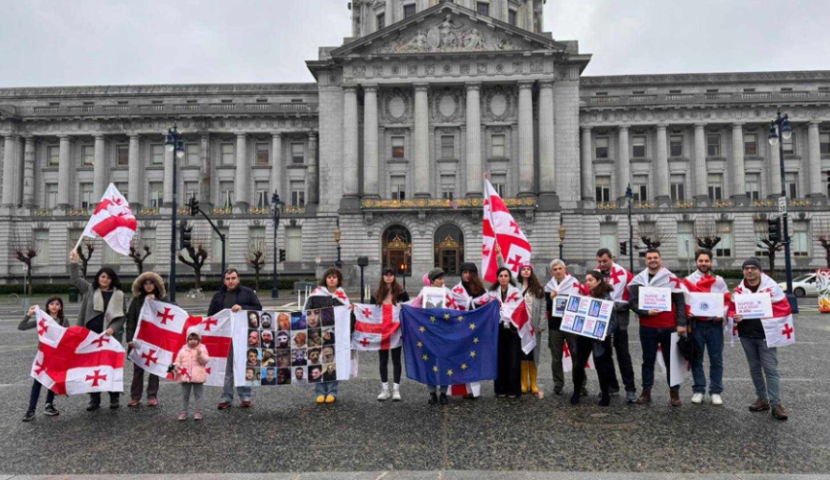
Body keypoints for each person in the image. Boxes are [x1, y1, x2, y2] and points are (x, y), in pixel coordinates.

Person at [728, 258, 789, 421]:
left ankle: (776, 404)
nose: (749, 271)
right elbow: (731, 310)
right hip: (747, 335)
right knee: (754, 369)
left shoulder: (772, 288)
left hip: (766, 336)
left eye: (753, 268)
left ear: (759, 270)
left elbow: (784, 307)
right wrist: (734, 317)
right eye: (746, 268)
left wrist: (769, 314)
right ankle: (762, 399)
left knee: (771, 370)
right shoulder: (738, 291)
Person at [69, 249, 126, 411]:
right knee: (92, 368)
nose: (105, 279)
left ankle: (114, 397)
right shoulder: (89, 290)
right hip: (90, 337)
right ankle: (94, 400)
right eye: (102, 276)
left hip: (110, 339)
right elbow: (75, 278)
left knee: (110, 367)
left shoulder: (119, 295)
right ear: (98, 278)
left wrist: (113, 329)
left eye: (108, 277)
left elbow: (123, 316)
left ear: (112, 280)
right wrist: (74, 262)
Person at [628, 249, 687, 407]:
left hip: (669, 327)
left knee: (671, 362)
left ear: (660, 260)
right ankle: (646, 392)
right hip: (647, 327)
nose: (652, 260)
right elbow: (632, 302)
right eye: (649, 258)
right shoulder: (638, 280)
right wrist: (645, 311)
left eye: (655, 257)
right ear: (645, 261)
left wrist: (681, 323)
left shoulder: (671, 279)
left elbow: (680, 303)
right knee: (648, 361)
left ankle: (674, 393)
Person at [209, 268, 262, 410]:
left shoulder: (248, 293)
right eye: (228, 279)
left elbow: (258, 309)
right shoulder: (218, 296)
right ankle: (226, 397)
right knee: (227, 370)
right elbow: (211, 316)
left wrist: (243, 307)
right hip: (225, 338)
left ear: (238, 279)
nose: (231, 281)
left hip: (244, 336)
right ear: (224, 280)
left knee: (244, 366)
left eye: (233, 278)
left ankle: (245, 396)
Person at [682, 250, 728, 406]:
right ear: (696, 262)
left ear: (711, 262)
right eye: (700, 260)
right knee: (697, 359)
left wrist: (721, 314)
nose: (703, 263)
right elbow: (684, 303)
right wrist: (688, 312)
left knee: (716, 359)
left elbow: (727, 301)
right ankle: (699, 389)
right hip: (696, 325)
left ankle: (715, 391)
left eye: (706, 261)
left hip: (714, 325)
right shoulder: (688, 281)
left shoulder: (719, 281)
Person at [569, 271, 617, 407]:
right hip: (584, 336)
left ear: (599, 281)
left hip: (600, 339)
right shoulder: (586, 297)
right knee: (578, 365)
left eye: (590, 280)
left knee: (602, 367)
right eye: (586, 280)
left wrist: (603, 334)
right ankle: (576, 392)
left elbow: (613, 322)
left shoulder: (607, 299)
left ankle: (605, 395)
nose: (587, 283)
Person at [303, 267, 350, 404]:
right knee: (318, 360)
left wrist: (350, 310)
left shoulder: (342, 295)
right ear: (325, 279)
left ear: (338, 280)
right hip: (317, 335)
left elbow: (346, 315)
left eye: (334, 277)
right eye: (329, 277)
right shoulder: (316, 294)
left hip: (335, 336)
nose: (331, 279)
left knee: (333, 362)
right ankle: (320, 392)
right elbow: (307, 312)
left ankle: (332, 391)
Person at [596, 248, 637, 403]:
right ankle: (611, 386)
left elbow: (632, 297)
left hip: (620, 319)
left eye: (605, 261)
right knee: (604, 354)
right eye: (599, 261)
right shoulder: (595, 274)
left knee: (623, 354)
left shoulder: (625, 274)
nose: (602, 264)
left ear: (611, 258)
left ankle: (630, 388)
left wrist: (619, 305)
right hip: (602, 319)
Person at [20, 298, 69, 422]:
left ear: (61, 307)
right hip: (43, 356)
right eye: (51, 304)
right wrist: (28, 314)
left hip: (56, 356)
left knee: (52, 380)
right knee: (37, 382)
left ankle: (49, 405)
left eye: (57, 304)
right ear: (47, 306)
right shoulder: (41, 319)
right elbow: (22, 327)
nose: (54, 306)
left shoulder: (64, 320)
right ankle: (31, 410)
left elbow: (68, 337)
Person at [125, 271, 168, 408]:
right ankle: (135, 396)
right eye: (145, 283)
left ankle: (152, 395)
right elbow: (130, 319)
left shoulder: (161, 300)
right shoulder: (137, 300)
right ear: (141, 285)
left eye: (151, 283)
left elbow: (167, 318)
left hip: (155, 341)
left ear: (156, 285)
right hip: (139, 340)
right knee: (138, 369)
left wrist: (155, 302)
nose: (148, 286)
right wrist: (129, 338)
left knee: (154, 368)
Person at [447, 262, 490, 399]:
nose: (466, 275)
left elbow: (487, 307)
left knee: (474, 358)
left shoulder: (482, 291)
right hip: (461, 329)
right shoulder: (456, 291)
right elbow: (451, 309)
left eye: (469, 272)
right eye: (464, 272)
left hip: (476, 329)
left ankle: (474, 390)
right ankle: (463, 389)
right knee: (461, 358)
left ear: (474, 274)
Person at [369, 267, 410, 402]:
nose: (388, 277)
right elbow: (371, 313)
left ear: (394, 276)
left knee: (396, 359)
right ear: (382, 277)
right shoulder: (376, 294)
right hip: (382, 332)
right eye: (386, 275)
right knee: (383, 360)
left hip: (396, 330)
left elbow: (409, 309)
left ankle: (396, 390)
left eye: (391, 274)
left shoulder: (401, 293)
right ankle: (385, 389)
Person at [544, 259, 582, 396]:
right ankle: (558, 384)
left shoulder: (575, 284)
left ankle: (580, 384)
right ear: (551, 272)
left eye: (560, 268)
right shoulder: (549, 287)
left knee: (576, 355)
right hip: (555, 326)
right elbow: (546, 307)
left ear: (565, 269)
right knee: (556, 357)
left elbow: (582, 302)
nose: (558, 271)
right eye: (555, 269)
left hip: (572, 325)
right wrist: (550, 298)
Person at [489, 267, 523, 398]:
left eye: (506, 276)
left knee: (513, 360)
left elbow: (520, 309)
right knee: (500, 359)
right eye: (501, 276)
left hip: (513, 329)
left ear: (509, 278)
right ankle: (500, 389)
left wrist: (508, 311)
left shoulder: (516, 292)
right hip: (498, 329)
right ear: (497, 278)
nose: (503, 278)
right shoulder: (492, 293)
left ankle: (513, 388)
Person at [418, 268, 450, 405]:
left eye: (443, 278)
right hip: (429, 332)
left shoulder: (447, 292)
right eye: (439, 279)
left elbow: (454, 308)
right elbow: (416, 307)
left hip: (443, 331)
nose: (442, 281)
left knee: (444, 362)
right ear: (432, 281)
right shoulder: (424, 292)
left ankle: (443, 392)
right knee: (429, 361)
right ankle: (432, 392)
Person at [518, 263, 546, 398]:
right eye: (523, 269)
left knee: (533, 354)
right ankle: (524, 383)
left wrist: (541, 324)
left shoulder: (538, 289)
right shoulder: (516, 288)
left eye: (528, 269)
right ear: (520, 272)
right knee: (523, 353)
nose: (526, 271)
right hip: (520, 326)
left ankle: (533, 383)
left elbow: (542, 308)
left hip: (533, 325)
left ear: (532, 272)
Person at [174, 327, 210, 421]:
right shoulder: (182, 350)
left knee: (198, 395)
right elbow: (177, 361)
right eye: (190, 339)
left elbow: (205, 361)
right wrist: (178, 369)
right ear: (187, 339)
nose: (193, 341)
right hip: (185, 377)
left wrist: (200, 354)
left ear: (199, 339)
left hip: (198, 377)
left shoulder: (202, 349)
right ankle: (184, 412)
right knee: (185, 396)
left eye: (195, 339)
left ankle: (199, 411)